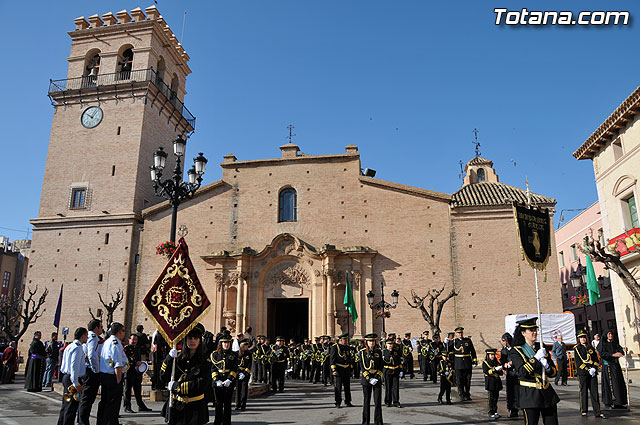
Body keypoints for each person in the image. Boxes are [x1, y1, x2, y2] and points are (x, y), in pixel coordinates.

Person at [509, 317, 560, 424]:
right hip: (530, 393)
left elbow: (554, 373)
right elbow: (522, 372)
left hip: (546, 392)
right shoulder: (516, 351)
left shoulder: (540, 347)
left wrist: (547, 367)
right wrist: (535, 359)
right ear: (523, 333)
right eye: (531, 330)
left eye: (535, 330)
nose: (534, 332)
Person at [161, 323, 211, 425]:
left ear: (200, 341)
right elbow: (163, 376)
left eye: (196, 338)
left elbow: (202, 384)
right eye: (189, 338)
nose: (192, 341)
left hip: (195, 408)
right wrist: (169, 358)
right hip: (177, 406)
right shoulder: (177, 358)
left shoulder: (205, 361)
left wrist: (178, 387)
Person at [97, 322, 128, 425]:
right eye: (123, 330)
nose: (124, 333)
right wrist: (119, 381)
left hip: (105, 375)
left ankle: (103, 421)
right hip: (112, 377)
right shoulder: (116, 344)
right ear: (119, 332)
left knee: (105, 402)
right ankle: (111, 422)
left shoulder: (107, 342)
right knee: (113, 403)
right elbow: (117, 364)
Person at [57, 327, 88, 425]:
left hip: (66, 376)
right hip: (72, 378)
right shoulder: (78, 348)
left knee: (65, 406)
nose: (87, 338)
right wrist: (75, 383)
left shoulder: (70, 346)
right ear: (82, 336)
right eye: (86, 336)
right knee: (71, 408)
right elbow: (74, 366)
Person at [575, 330, 606, 418]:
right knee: (583, 392)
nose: (583, 339)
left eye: (584, 337)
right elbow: (579, 363)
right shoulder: (577, 349)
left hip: (592, 373)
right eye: (581, 337)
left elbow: (596, 359)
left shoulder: (591, 348)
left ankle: (597, 411)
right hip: (583, 373)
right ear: (579, 339)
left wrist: (594, 368)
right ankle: (584, 410)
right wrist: (588, 369)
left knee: (594, 392)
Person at [79, 319, 104, 425]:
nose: (102, 329)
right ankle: (83, 422)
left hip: (88, 369)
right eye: (101, 327)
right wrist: (96, 370)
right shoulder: (93, 337)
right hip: (91, 371)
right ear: (96, 328)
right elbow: (91, 355)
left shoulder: (90, 336)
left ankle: (81, 420)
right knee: (88, 398)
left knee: (86, 398)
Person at [210, 331, 238, 425]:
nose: (226, 344)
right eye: (224, 342)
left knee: (227, 404)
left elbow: (235, 368)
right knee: (218, 403)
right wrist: (216, 379)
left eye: (228, 343)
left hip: (228, 381)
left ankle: (226, 422)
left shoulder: (234, 355)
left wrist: (230, 379)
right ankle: (217, 422)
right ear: (220, 343)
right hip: (218, 381)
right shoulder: (215, 355)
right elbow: (213, 368)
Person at [597, 329, 628, 408]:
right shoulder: (603, 344)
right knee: (610, 385)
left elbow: (620, 350)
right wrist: (613, 355)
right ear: (606, 335)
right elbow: (602, 354)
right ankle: (609, 402)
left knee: (618, 384)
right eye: (609, 334)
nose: (610, 336)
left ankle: (619, 402)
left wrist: (623, 350)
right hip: (608, 367)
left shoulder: (614, 343)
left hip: (616, 366)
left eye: (611, 334)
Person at [123, 333, 152, 413]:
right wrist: (135, 363)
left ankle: (141, 406)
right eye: (133, 339)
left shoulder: (138, 348)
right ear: (129, 339)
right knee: (127, 390)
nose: (134, 341)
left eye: (136, 340)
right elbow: (126, 360)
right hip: (129, 371)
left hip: (137, 372)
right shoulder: (126, 349)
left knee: (138, 389)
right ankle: (127, 406)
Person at [360, 333, 383, 425]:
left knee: (377, 402)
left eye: (373, 341)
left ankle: (378, 422)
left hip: (376, 379)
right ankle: (366, 422)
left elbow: (381, 365)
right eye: (370, 341)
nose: (371, 343)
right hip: (366, 379)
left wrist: (377, 377)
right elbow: (362, 367)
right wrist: (369, 378)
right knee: (366, 401)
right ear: (366, 342)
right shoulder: (362, 352)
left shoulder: (379, 352)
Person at [452, 326, 477, 401]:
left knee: (467, 380)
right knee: (459, 380)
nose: (460, 334)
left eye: (461, 333)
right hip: (458, 364)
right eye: (458, 333)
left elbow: (472, 351)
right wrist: (445, 343)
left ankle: (467, 394)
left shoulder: (468, 341)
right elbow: (448, 351)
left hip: (467, 363)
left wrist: (474, 360)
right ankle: (461, 394)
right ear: (456, 334)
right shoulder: (454, 342)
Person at [330, 332, 353, 408]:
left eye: (346, 339)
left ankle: (348, 401)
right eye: (344, 340)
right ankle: (338, 402)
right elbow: (332, 359)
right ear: (340, 340)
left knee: (347, 387)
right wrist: (334, 370)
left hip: (346, 369)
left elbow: (349, 358)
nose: (345, 341)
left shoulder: (347, 347)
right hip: (339, 369)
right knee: (338, 387)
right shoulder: (335, 347)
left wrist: (351, 369)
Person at [500, 332, 519, 418]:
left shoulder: (515, 349)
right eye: (502, 340)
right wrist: (504, 365)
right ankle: (512, 409)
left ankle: (518, 407)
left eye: (504, 340)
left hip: (517, 373)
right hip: (510, 373)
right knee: (510, 392)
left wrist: (513, 363)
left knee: (517, 392)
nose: (503, 342)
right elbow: (502, 360)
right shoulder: (503, 350)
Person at [483, 348, 503, 420]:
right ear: (488, 355)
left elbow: (501, 373)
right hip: (490, 382)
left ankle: (495, 411)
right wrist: (495, 370)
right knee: (491, 398)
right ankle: (491, 412)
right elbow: (487, 372)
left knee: (496, 398)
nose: (493, 356)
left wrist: (499, 369)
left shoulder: (496, 362)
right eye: (491, 355)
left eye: (493, 355)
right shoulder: (485, 363)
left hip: (497, 382)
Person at [382, 336, 402, 407]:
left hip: (395, 371)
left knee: (395, 387)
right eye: (389, 344)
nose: (390, 345)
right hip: (387, 371)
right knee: (388, 387)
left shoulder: (396, 352)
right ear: (386, 345)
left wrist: (400, 370)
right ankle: (388, 401)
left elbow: (399, 361)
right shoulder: (383, 352)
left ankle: (396, 401)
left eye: (392, 344)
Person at [235, 338, 252, 411]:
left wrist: (245, 373)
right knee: (238, 389)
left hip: (245, 373)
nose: (247, 347)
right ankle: (237, 404)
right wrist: (238, 372)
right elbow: (235, 364)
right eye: (245, 345)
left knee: (244, 390)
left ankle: (243, 405)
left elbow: (249, 364)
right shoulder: (236, 353)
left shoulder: (249, 354)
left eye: (247, 345)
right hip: (238, 373)